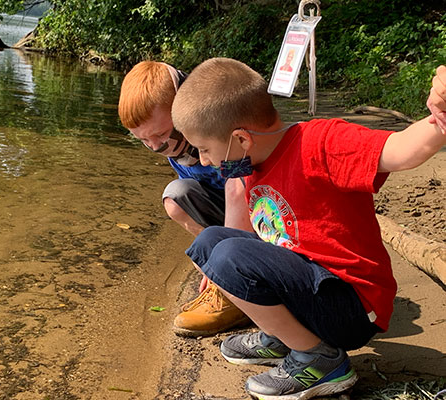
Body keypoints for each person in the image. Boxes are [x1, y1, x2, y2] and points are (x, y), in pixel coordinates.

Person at [170, 57, 446, 400]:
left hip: (352, 307)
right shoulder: (252, 164)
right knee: (211, 242)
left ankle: (320, 360)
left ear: (241, 139)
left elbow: (402, 150)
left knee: (228, 254)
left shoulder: (321, 142)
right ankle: (284, 337)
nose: (206, 161)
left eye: (206, 150)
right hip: (312, 292)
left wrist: (440, 119)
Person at [117, 61, 251, 337]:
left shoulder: (219, 126)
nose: (156, 146)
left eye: (161, 135)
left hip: (264, 210)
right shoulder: (172, 140)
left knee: (229, 192)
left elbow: (239, 189)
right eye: (144, 140)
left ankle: (236, 290)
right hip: (229, 207)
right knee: (176, 196)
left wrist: (222, 268)